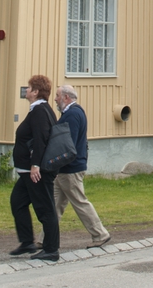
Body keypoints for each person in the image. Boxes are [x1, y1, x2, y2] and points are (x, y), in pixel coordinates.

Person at [52, 84, 111, 247]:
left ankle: (100, 234)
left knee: (79, 201)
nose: (55, 99)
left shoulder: (72, 115)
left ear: (66, 97)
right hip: (65, 169)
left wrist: (55, 160)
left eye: (57, 96)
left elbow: (67, 144)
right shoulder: (74, 112)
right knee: (55, 205)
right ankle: (45, 239)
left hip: (70, 169)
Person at [10, 74, 60, 262]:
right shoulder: (38, 110)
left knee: (45, 208)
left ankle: (51, 249)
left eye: (29, 88)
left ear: (36, 92)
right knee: (18, 202)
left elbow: (41, 139)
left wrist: (35, 165)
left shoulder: (40, 111)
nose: (27, 90)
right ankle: (27, 242)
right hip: (27, 172)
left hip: (36, 173)